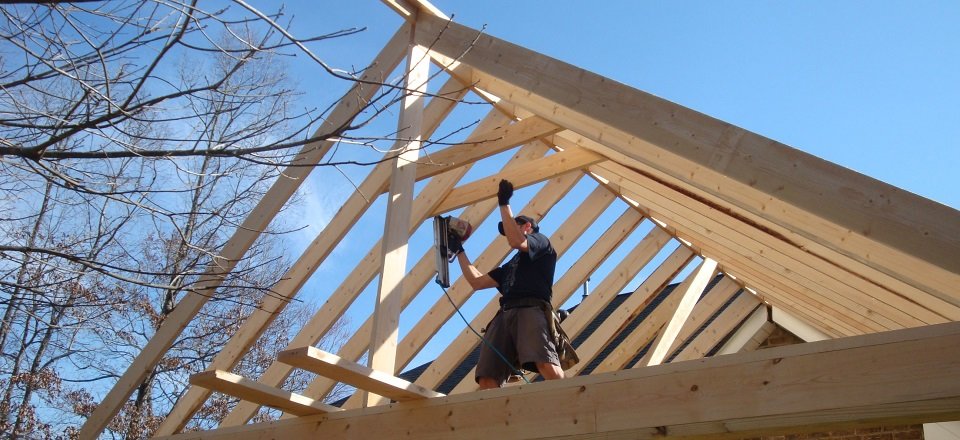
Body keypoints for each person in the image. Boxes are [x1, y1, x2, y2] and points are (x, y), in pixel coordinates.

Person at [455, 179, 564, 389]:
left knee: (545, 362)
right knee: (487, 377)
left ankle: (570, 399)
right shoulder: (510, 266)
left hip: (530, 308)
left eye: (513, 225)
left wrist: (504, 203)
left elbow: (516, 241)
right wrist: (459, 250)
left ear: (527, 227)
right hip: (505, 314)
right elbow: (476, 282)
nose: (508, 231)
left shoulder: (542, 243)